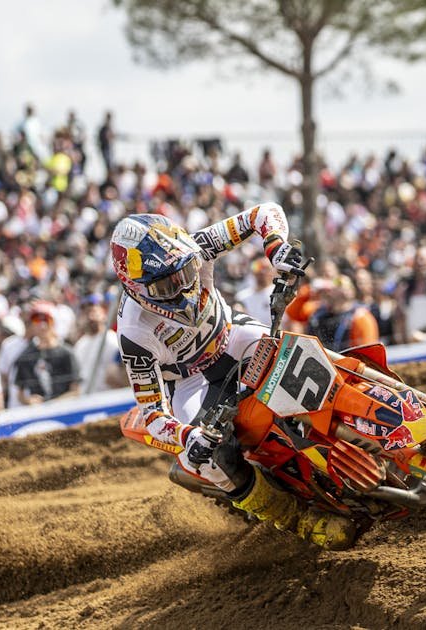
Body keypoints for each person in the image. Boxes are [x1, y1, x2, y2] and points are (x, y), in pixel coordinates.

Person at [110, 204, 355, 550]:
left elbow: (262, 213)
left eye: (185, 272)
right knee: (207, 460)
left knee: (309, 354)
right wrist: (188, 436)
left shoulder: (198, 246)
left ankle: (389, 393)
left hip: (233, 337)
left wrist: (276, 247)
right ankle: (297, 519)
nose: (182, 288)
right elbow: (151, 414)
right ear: (136, 289)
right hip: (190, 383)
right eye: (166, 286)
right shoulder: (133, 332)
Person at [14, 302, 80, 404]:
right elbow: (20, 393)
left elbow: (76, 390)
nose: (42, 325)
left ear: (53, 323)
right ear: (31, 325)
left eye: (46, 320)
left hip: (66, 408)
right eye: (37, 320)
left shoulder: (66, 353)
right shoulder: (25, 357)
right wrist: (29, 401)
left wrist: (53, 404)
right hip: (38, 411)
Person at [306, 276, 380, 352]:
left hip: (349, 358)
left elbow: (369, 351)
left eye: (345, 286)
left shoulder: (360, 316)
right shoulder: (318, 316)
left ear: (352, 291)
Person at [71, 296, 122, 394]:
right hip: (87, 397)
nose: (90, 317)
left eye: (93, 311)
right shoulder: (79, 345)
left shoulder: (113, 339)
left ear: (103, 313)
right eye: (85, 313)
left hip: (111, 395)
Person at [0, 315, 29, 409]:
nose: (1, 336)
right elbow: (3, 375)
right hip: (15, 403)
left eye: (6, 333)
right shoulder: (8, 345)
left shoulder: (39, 343)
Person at [97, 110, 115, 179]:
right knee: (108, 165)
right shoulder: (103, 128)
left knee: (110, 165)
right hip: (105, 149)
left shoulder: (110, 127)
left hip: (109, 149)